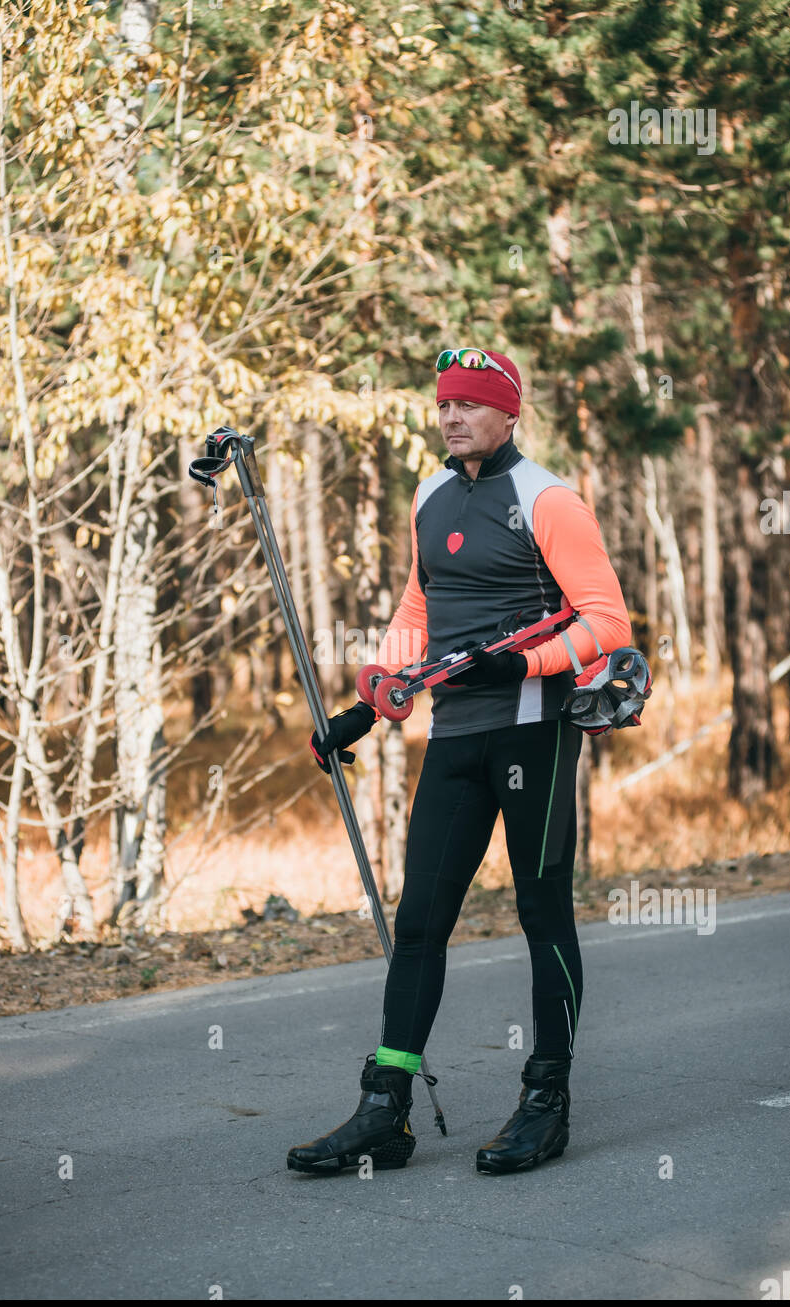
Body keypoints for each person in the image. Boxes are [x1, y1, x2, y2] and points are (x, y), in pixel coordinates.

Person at [288, 346, 632, 1175]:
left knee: (541, 911)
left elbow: (606, 621)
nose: (451, 417)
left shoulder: (547, 499)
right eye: (443, 404)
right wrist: (367, 705)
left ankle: (545, 1099)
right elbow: (419, 607)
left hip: (532, 731)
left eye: (470, 405)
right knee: (419, 922)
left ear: (508, 415)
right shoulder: (431, 494)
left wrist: (524, 664)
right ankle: (386, 1108)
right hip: (452, 734)